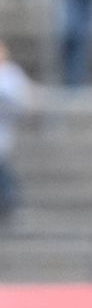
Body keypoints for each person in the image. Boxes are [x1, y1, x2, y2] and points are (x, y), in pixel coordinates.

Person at [0, 40, 33, 221]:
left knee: (3, 166)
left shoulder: (11, 73)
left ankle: (11, 202)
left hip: (5, 127)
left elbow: (21, 99)